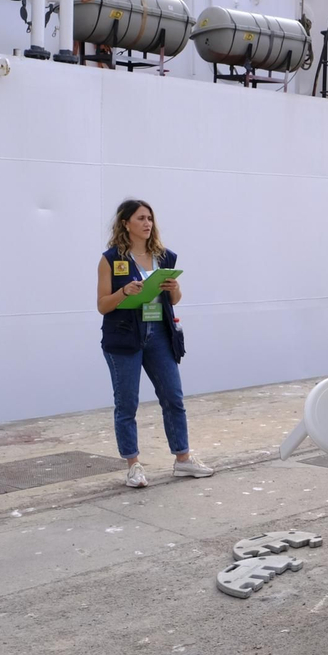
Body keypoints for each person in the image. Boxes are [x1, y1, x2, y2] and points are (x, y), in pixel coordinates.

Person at [95, 199, 212, 488]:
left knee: (173, 397)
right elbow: (103, 305)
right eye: (140, 218)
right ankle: (133, 465)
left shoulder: (165, 257)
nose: (147, 223)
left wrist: (175, 289)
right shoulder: (111, 259)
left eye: (149, 218)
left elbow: (174, 301)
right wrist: (124, 292)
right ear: (125, 224)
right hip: (125, 336)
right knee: (127, 403)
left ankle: (183, 459)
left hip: (159, 334)